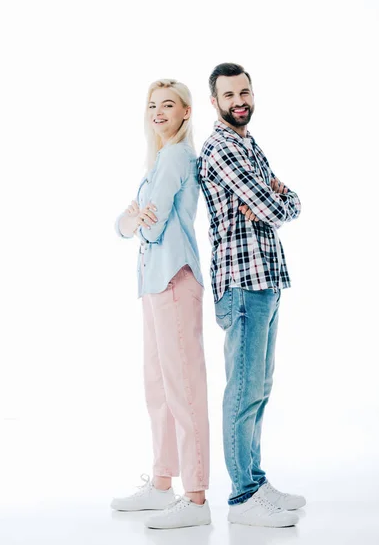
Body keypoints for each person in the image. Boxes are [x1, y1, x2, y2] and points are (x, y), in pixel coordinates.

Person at [197, 63, 305, 528]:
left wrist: (278, 199)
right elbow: (269, 204)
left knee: (259, 388)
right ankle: (242, 497)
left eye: (245, 92)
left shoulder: (248, 143)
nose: (239, 100)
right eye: (229, 95)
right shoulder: (220, 148)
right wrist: (273, 200)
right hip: (242, 283)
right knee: (242, 391)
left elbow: (289, 202)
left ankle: (256, 481)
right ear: (214, 102)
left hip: (268, 280)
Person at [112, 79, 211, 530]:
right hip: (154, 285)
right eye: (152, 104)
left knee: (183, 388)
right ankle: (161, 482)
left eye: (167, 105)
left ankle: (194, 496)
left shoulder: (175, 157)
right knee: (158, 387)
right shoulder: (157, 160)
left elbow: (147, 228)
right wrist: (136, 215)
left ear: (186, 112)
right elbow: (123, 224)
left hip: (173, 278)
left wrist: (138, 217)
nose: (157, 111)